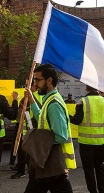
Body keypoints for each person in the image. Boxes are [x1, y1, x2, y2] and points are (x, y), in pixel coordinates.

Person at [24, 64, 76, 193]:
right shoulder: (49, 100)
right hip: (46, 163)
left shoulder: (53, 104)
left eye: (37, 80)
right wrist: (31, 100)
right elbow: (42, 117)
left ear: (49, 80)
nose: (35, 84)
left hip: (52, 164)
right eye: (34, 80)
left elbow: (61, 136)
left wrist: (38, 142)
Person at [69, 85, 104, 193]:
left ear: (86, 89)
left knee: (89, 170)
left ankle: (93, 191)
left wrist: (66, 115)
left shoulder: (82, 102)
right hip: (101, 141)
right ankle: (102, 191)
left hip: (86, 141)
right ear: (98, 89)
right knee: (100, 167)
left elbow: (76, 120)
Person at [10, 81, 42, 179]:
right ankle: (23, 169)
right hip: (25, 129)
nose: (25, 87)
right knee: (23, 151)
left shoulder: (35, 96)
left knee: (27, 151)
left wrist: (29, 97)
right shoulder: (27, 97)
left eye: (28, 85)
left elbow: (37, 111)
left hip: (30, 129)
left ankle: (24, 170)